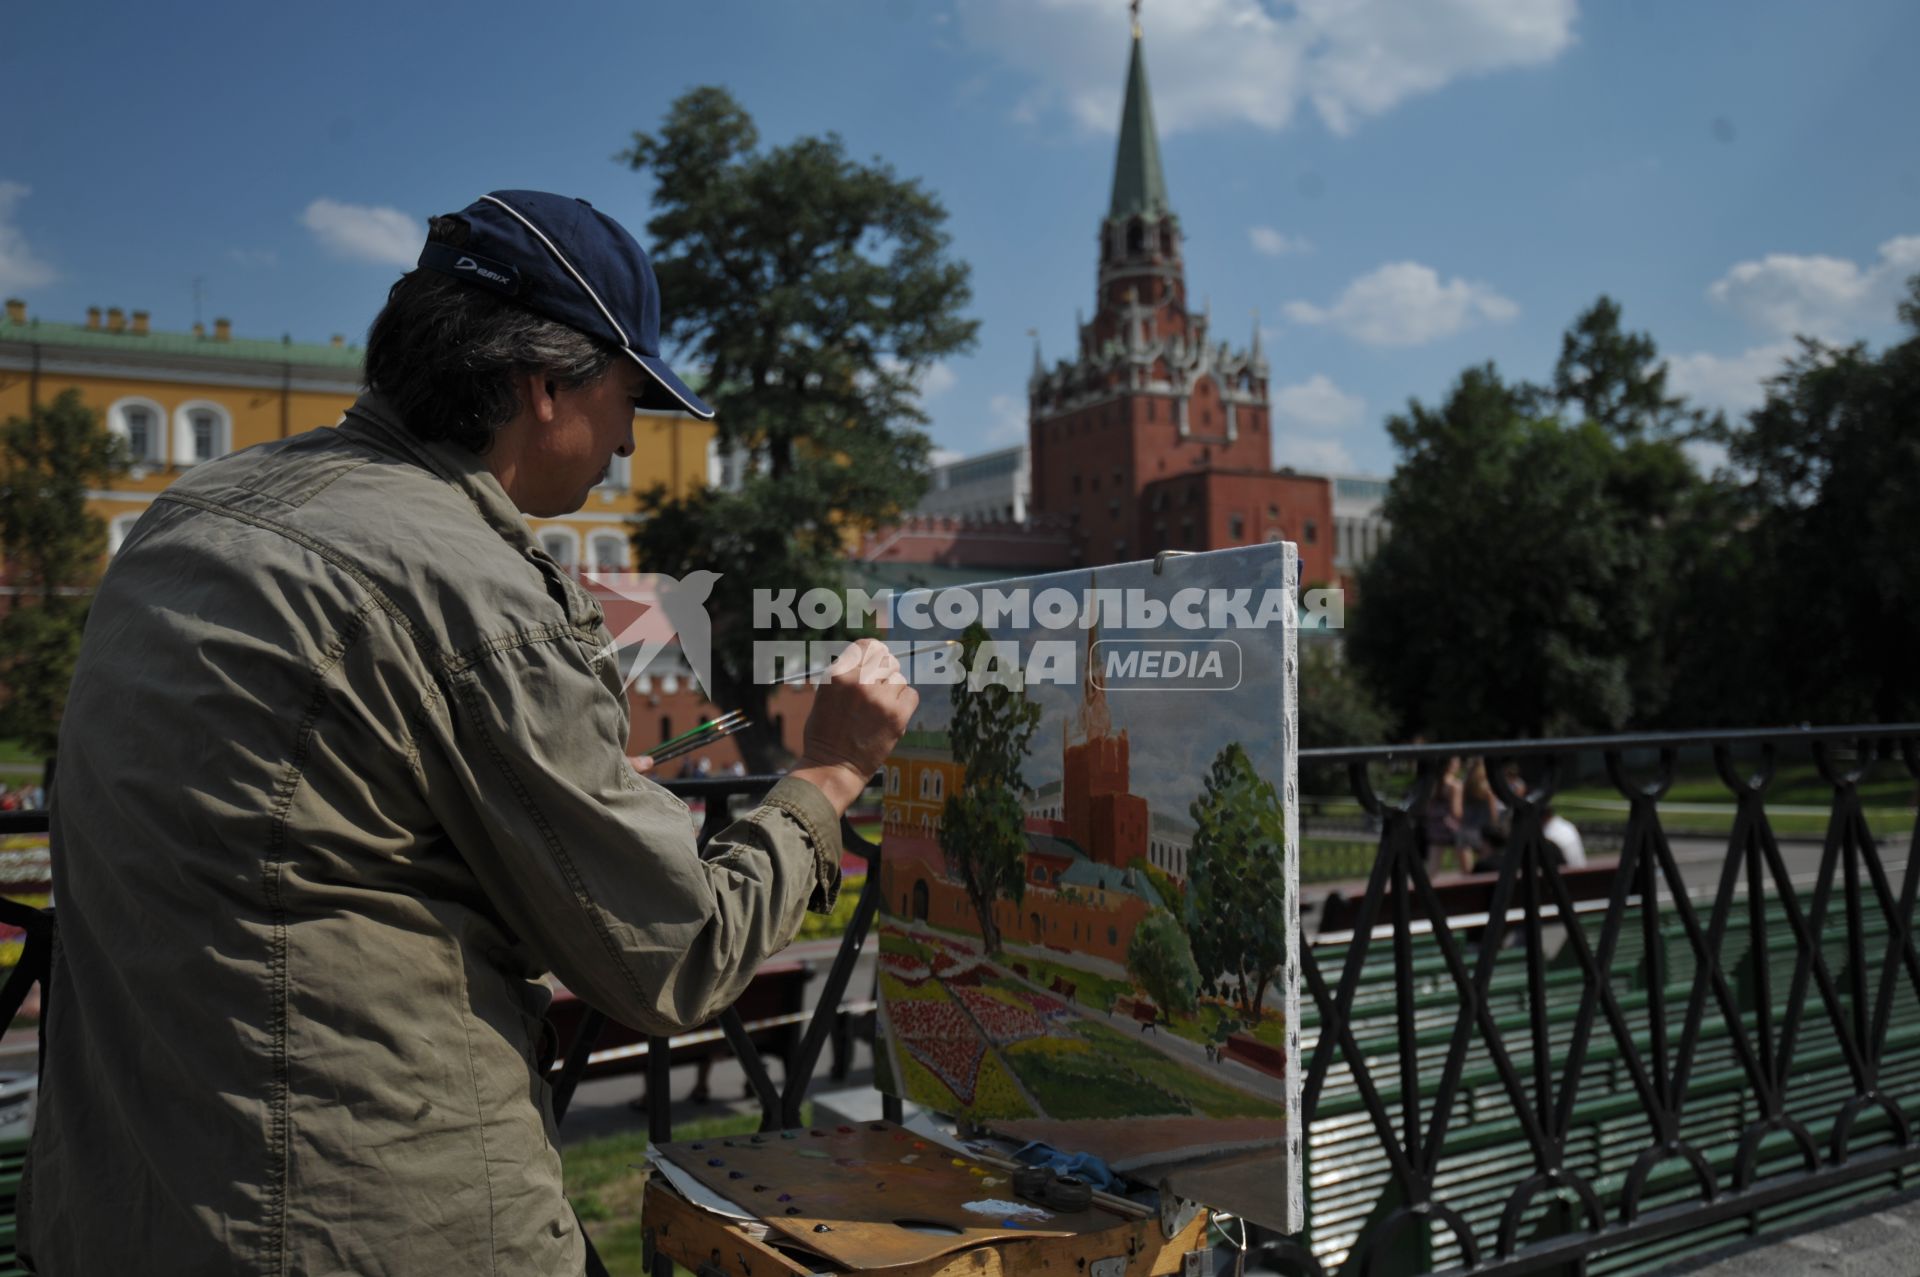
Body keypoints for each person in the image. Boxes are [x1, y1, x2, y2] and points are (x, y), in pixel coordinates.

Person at [22, 190, 918, 1275]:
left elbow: (312, 832)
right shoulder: (465, 582)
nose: (634, 441)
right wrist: (829, 768)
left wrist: (553, 797)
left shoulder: (197, 508)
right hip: (365, 1221)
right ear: (546, 387)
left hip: (127, 1205)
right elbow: (677, 954)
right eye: (632, 396)